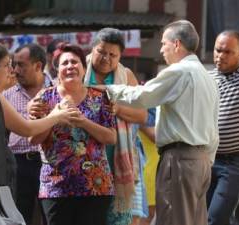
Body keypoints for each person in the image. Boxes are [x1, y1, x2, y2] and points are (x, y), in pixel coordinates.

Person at [102, 20, 219, 225]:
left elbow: (142, 96)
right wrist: (206, 160)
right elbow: (213, 128)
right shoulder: (208, 78)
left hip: (180, 159)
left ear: (176, 44)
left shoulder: (179, 72)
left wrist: (107, 89)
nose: (161, 49)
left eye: (164, 43)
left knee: (174, 220)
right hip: (202, 161)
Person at [29, 44, 117, 225]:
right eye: (65, 63)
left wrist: (83, 121)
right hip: (55, 187)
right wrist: (55, 117)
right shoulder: (44, 98)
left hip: (95, 186)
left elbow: (111, 137)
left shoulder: (100, 98)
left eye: (75, 62)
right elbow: (33, 138)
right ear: (57, 70)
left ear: (84, 69)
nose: (70, 66)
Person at [84, 27, 147, 225]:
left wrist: (118, 110)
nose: (106, 58)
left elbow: (142, 115)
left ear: (120, 56)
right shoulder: (76, 69)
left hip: (118, 155)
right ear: (92, 48)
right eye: (101, 52)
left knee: (117, 217)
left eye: (113, 55)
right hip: (85, 154)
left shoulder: (126, 76)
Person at [206, 30, 239, 225]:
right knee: (210, 217)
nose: (220, 55)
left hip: (237, 161)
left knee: (216, 218)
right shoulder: (208, 77)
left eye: (228, 52)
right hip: (209, 158)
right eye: (217, 50)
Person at [3, 43, 53, 225]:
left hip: (49, 163)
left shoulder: (57, 91)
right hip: (18, 164)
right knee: (19, 216)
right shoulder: (7, 95)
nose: (16, 70)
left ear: (38, 66)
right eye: (14, 65)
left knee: (51, 215)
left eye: (21, 65)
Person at [139, 108, 159, 225]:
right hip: (149, 169)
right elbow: (154, 136)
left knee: (151, 216)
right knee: (147, 216)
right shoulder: (142, 115)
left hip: (154, 167)